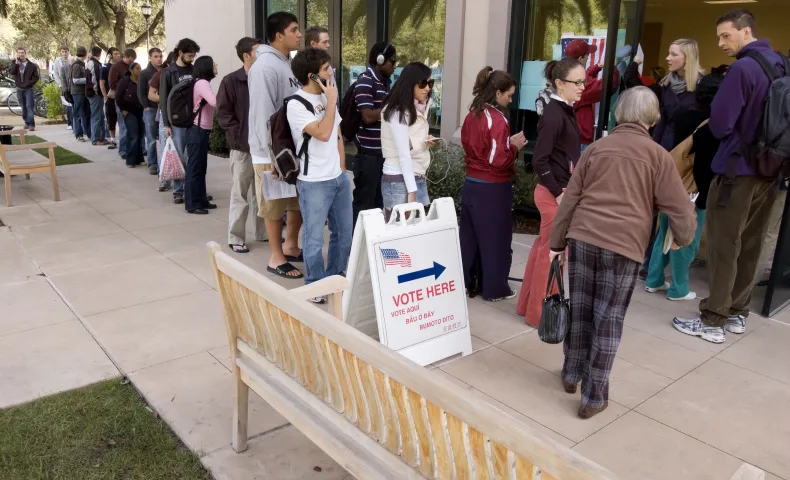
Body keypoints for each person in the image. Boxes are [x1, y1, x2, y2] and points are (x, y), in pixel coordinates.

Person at [549, 87, 697, 419]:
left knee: (582, 309)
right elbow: (680, 209)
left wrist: (557, 243)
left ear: (618, 114)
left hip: (584, 237)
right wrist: (685, 238)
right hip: (624, 246)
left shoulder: (597, 149)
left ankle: (572, 374)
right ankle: (594, 396)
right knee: (608, 320)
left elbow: (571, 197)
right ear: (654, 117)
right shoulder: (658, 156)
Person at [673, 9, 786, 344]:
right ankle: (737, 312)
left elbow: (720, 124)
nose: (721, 42)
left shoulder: (743, 68)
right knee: (751, 244)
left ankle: (713, 319)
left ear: (746, 31)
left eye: (726, 35)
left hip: (738, 169)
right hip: (771, 170)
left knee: (725, 245)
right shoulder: (781, 63)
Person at [645, 72, 724, 301]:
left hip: (670, 182)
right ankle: (678, 289)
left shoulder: (682, 115)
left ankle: (654, 280)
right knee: (686, 238)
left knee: (664, 233)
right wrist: (703, 197)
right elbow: (703, 165)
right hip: (693, 189)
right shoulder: (713, 126)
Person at [517, 58, 584, 325]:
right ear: (560, 83)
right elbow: (539, 160)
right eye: (577, 82)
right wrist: (558, 192)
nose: (582, 87)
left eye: (584, 81)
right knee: (552, 256)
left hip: (556, 191)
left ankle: (529, 308)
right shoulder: (555, 114)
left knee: (543, 251)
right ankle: (540, 315)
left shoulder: (562, 111)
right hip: (554, 193)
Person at [288, 48, 352, 301]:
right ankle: (314, 284)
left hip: (337, 178)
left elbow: (336, 134)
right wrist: (333, 101)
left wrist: (342, 168)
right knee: (314, 237)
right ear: (312, 76)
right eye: (326, 69)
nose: (331, 73)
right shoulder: (296, 104)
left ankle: (335, 278)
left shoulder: (327, 99)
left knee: (344, 233)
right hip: (313, 181)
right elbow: (322, 133)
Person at [460, 67, 527, 301]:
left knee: (469, 239)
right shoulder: (497, 119)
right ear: (497, 93)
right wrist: (515, 146)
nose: (510, 100)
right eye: (508, 95)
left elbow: (480, 149)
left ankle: (467, 284)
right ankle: (495, 289)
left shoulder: (472, 114)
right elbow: (498, 160)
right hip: (493, 188)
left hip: (472, 184)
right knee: (496, 240)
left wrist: (506, 145)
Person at [249, 12, 304, 279]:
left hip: (290, 150)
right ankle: (276, 256)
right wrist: (271, 156)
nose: (300, 34)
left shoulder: (286, 63)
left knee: (295, 202)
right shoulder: (264, 67)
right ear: (279, 35)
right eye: (294, 30)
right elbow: (262, 114)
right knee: (273, 203)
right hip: (270, 153)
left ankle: (291, 246)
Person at [217, 37, 268, 253]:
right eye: (258, 51)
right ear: (246, 56)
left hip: (265, 148)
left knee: (263, 194)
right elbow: (223, 113)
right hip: (243, 148)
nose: (262, 55)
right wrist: (239, 135)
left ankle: (263, 232)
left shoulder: (265, 77)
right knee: (241, 193)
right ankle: (235, 236)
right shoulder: (231, 81)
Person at [379, 62, 436, 219]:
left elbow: (412, 141)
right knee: (397, 236)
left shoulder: (418, 107)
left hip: (416, 175)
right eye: (423, 83)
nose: (427, 88)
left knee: (416, 235)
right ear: (410, 83)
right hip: (398, 178)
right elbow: (403, 153)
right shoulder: (396, 111)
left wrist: (425, 141)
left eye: (430, 83)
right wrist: (412, 191)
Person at [351, 42, 397, 228]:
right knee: (364, 205)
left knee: (379, 204)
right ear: (380, 60)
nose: (394, 66)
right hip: (368, 157)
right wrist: (391, 110)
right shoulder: (365, 81)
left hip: (382, 155)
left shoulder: (385, 83)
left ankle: (371, 248)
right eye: (392, 62)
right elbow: (368, 116)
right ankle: (355, 249)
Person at [160, 39, 200, 204]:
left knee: (193, 156)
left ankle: (192, 188)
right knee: (179, 156)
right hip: (177, 120)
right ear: (180, 53)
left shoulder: (194, 70)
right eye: (189, 55)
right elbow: (164, 100)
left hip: (194, 118)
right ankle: (178, 190)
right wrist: (166, 124)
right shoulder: (169, 73)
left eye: (193, 55)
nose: (192, 58)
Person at [564, 39, 619, 150]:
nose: (589, 56)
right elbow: (608, 86)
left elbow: (586, 76)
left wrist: (598, 66)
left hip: (572, 134)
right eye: (587, 54)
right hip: (580, 139)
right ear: (580, 59)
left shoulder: (567, 74)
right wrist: (613, 67)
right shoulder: (581, 83)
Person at [652, 39, 704, 151]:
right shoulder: (666, 84)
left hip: (688, 151)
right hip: (665, 147)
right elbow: (663, 118)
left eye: (673, 54)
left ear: (687, 59)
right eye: (668, 53)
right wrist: (653, 146)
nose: (667, 58)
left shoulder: (703, 86)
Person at [183, 56, 218, 214]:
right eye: (213, 64)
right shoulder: (202, 83)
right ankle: (192, 203)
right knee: (195, 167)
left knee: (200, 167)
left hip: (201, 129)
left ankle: (201, 199)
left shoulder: (202, 82)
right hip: (198, 129)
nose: (215, 66)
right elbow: (214, 102)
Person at [149, 51, 175, 192]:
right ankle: (164, 179)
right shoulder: (161, 74)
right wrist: (165, 99)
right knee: (165, 147)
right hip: (164, 114)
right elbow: (151, 94)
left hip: (182, 116)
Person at [115, 62, 145, 168]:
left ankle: (139, 157)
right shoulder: (125, 81)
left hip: (140, 111)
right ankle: (130, 159)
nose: (139, 70)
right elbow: (118, 97)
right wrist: (123, 110)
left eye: (140, 68)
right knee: (133, 135)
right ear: (131, 70)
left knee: (140, 134)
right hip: (129, 111)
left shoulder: (141, 81)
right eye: (137, 68)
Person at [109, 49, 137, 158]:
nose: (131, 62)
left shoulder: (133, 66)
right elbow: (112, 84)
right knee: (123, 126)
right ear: (125, 56)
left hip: (133, 101)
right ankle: (123, 150)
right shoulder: (116, 67)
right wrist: (125, 88)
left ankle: (134, 148)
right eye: (130, 60)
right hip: (121, 100)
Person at [139, 48, 163, 176]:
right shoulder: (145, 73)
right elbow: (141, 91)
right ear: (150, 58)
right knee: (151, 138)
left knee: (163, 137)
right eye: (156, 56)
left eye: (160, 56)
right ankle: (152, 163)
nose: (159, 58)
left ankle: (163, 163)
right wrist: (146, 106)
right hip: (151, 109)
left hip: (163, 109)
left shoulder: (165, 71)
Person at [10, 47, 40, 132]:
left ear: (25, 53)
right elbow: (12, 72)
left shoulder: (32, 65)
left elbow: (36, 77)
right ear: (17, 54)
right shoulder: (15, 63)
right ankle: (26, 122)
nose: (21, 54)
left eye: (22, 52)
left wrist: (29, 83)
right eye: (19, 53)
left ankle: (31, 124)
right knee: (23, 107)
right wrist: (16, 62)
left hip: (28, 89)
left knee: (29, 106)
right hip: (19, 88)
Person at [86, 46, 109, 146]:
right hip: (95, 94)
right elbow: (95, 80)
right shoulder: (95, 64)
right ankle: (95, 139)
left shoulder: (90, 63)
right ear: (99, 54)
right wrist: (96, 91)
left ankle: (100, 137)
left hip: (92, 93)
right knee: (96, 116)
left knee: (99, 115)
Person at [70, 46, 91, 142]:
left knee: (87, 113)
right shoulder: (77, 65)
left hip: (83, 93)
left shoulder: (82, 64)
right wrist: (88, 80)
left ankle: (89, 133)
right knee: (78, 114)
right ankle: (79, 134)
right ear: (85, 55)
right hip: (78, 93)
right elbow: (75, 80)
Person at [102, 48, 121, 150]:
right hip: (111, 96)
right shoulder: (106, 67)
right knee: (111, 118)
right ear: (110, 55)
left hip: (121, 97)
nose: (118, 55)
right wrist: (105, 96)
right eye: (116, 54)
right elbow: (102, 82)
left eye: (119, 53)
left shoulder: (122, 67)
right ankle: (113, 140)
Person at [52, 45, 72, 130]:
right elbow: (55, 74)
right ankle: (70, 123)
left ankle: (76, 122)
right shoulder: (57, 61)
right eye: (63, 51)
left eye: (66, 51)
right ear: (60, 52)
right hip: (63, 86)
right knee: (67, 104)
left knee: (74, 104)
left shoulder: (72, 60)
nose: (64, 53)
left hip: (72, 85)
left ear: (68, 52)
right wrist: (60, 84)